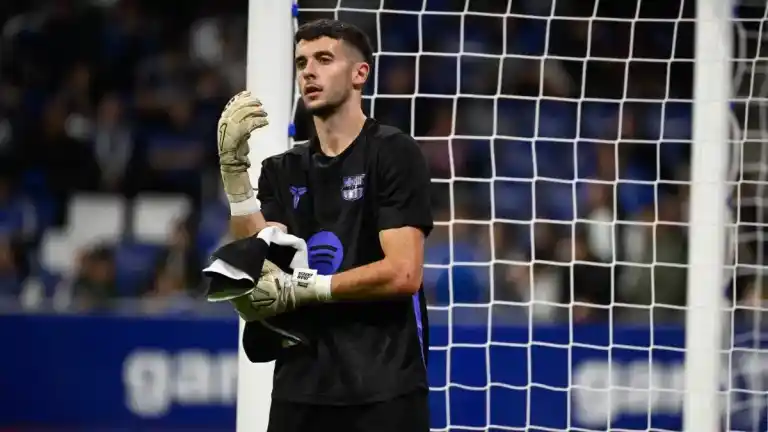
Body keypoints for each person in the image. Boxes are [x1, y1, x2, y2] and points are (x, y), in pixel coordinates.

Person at [215, 19, 433, 432]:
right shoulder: (282, 169)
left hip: (384, 387)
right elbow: (261, 266)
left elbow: (404, 272)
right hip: (299, 387)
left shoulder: (393, 153)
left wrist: (311, 287)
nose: (308, 72)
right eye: (301, 63)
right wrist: (234, 177)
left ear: (359, 73)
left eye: (324, 59)